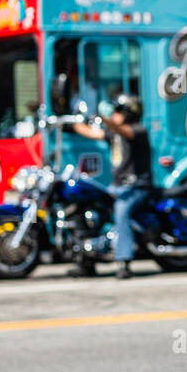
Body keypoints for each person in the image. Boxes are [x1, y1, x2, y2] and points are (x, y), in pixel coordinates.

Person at [71, 93, 151, 279]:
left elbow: (123, 131)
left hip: (136, 188)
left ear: (130, 113)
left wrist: (103, 118)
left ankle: (124, 261)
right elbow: (91, 132)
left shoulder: (138, 131)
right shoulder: (114, 133)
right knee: (85, 205)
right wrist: (74, 122)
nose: (115, 114)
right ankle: (85, 261)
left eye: (118, 111)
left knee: (121, 212)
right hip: (116, 187)